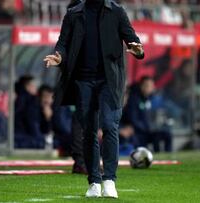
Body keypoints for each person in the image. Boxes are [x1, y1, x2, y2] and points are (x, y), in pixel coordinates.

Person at [44, 0, 144, 198]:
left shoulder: (117, 12)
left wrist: (138, 50)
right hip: (83, 81)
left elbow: (133, 40)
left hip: (110, 80)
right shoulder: (73, 14)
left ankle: (109, 180)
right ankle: (94, 182)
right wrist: (59, 58)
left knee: (109, 125)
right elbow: (62, 44)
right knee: (88, 130)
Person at [126, 76, 174, 152]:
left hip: (152, 130)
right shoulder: (134, 100)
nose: (149, 88)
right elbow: (133, 119)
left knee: (167, 134)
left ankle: (169, 154)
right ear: (141, 86)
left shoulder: (154, 99)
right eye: (147, 86)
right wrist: (146, 128)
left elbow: (161, 112)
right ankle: (157, 156)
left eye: (151, 86)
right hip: (140, 132)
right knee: (155, 138)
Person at [14, 75, 45, 148]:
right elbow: (32, 121)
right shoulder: (32, 100)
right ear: (27, 86)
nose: (36, 88)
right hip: (27, 136)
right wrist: (39, 138)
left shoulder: (19, 99)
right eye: (34, 85)